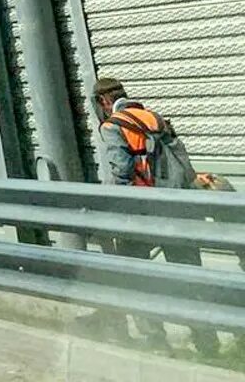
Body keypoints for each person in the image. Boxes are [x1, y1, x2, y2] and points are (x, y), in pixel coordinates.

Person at [92, 76, 220, 357]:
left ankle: (156, 342)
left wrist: (114, 212)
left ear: (103, 102)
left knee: (136, 276)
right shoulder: (155, 118)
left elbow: (121, 172)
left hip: (144, 213)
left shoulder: (112, 126)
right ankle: (207, 342)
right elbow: (184, 167)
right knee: (189, 275)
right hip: (177, 208)